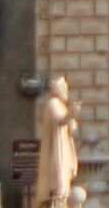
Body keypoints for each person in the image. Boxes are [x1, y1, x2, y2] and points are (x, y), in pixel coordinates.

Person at [34, 75, 79, 208]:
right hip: (56, 148)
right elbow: (60, 120)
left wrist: (71, 117)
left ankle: (61, 202)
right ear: (57, 89)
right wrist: (71, 113)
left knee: (63, 181)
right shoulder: (53, 103)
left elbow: (70, 126)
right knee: (59, 181)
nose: (66, 91)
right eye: (64, 88)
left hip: (63, 147)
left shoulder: (61, 105)